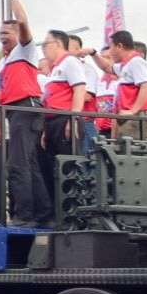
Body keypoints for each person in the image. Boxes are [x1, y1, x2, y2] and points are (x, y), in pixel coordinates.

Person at [0, 0, 52, 227]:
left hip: (25, 108)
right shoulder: (5, 62)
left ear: (17, 34)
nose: (1, 37)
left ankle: (24, 215)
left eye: (6, 33)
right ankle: (42, 213)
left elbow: (22, 20)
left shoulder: (26, 50)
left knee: (18, 164)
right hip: (14, 111)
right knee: (28, 163)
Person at [40, 29, 89, 197]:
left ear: (58, 44)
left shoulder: (70, 62)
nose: (44, 48)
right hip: (52, 120)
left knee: (68, 167)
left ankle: (72, 211)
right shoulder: (54, 69)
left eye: (46, 44)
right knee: (52, 166)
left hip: (65, 118)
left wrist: (73, 118)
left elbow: (79, 89)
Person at [109, 31, 147, 140]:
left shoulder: (136, 62)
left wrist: (133, 111)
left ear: (119, 46)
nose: (110, 52)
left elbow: (146, 85)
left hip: (135, 118)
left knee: (134, 152)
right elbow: (107, 67)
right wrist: (93, 54)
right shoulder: (126, 65)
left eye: (111, 47)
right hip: (127, 117)